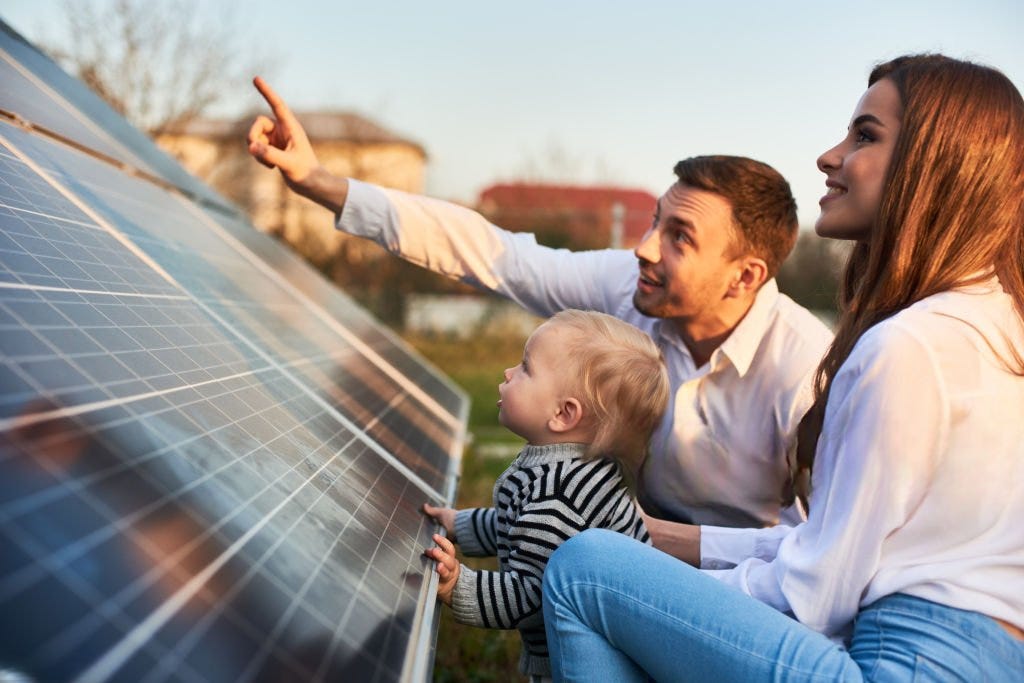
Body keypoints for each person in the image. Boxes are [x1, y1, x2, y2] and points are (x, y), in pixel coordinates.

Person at [540, 53, 1024, 681]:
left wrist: (653, 595)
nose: (830, 155)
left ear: (936, 167)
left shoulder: (909, 347)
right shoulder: (999, 327)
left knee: (585, 570)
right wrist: (655, 540)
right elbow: (834, 543)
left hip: (898, 665)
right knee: (618, 560)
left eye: (865, 136)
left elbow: (815, 595)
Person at [246, 78, 834, 533]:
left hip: (744, 593)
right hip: (634, 555)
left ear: (744, 276)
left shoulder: (806, 370)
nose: (644, 246)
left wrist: (643, 541)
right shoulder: (631, 287)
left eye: (680, 236)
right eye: (656, 220)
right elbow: (495, 254)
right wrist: (320, 182)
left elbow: (819, 550)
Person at [420, 309, 669, 681]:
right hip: (607, 641)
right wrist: (460, 524)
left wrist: (459, 586)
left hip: (583, 659)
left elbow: (530, 596)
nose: (508, 373)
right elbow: (516, 523)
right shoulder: (567, 470)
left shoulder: (557, 498)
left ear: (563, 414)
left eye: (525, 368)